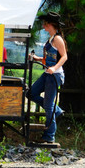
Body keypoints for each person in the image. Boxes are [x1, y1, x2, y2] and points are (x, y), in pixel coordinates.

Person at [28, 11, 67, 144]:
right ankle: (57, 111)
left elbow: (64, 56)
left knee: (48, 105)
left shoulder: (57, 39)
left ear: (51, 24)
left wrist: (54, 68)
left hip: (54, 75)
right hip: (47, 73)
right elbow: (48, 58)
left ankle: (49, 136)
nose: (43, 26)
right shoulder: (50, 39)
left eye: (45, 23)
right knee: (31, 93)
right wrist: (37, 58)